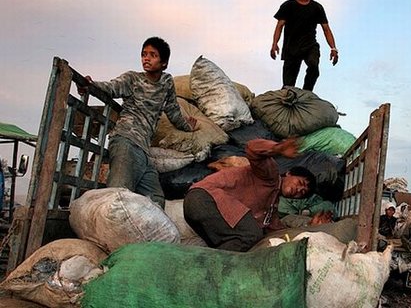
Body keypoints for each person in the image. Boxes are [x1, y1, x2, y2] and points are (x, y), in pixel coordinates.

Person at [77, 37, 197, 208]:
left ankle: (145, 235)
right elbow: (111, 87)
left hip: (143, 149)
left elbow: (173, 110)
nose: (146, 58)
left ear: (164, 63)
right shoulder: (132, 79)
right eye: (143, 54)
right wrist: (89, 84)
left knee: (156, 200)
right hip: (126, 140)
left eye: (152, 55)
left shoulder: (166, 82)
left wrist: (188, 127)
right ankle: (106, 233)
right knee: (117, 197)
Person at [183, 138, 322, 252]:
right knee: (251, 235)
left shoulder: (271, 210)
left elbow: (279, 234)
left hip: (197, 212)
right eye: (300, 182)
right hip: (204, 197)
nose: (299, 189)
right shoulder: (270, 174)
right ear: (289, 173)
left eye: (302, 192)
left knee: (237, 246)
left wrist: (310, 227)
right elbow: (252, 148)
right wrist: (277, 148)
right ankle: (207, 270)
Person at [270, 0, 338, 91]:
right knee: (288, 88)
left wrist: (333, 48)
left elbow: (326, 29)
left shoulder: (317, 8)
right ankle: (289, 95)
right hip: (291, 49)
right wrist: (274, 44)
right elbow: (279, 26)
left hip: (309, 46)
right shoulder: (288, 5)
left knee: (313, 66)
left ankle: (307, 93)